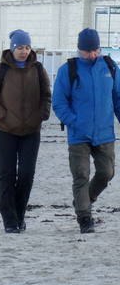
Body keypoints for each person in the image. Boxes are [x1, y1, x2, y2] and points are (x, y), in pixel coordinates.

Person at [0, 29, 51, 234]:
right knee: (7, 174)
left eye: (27, 47)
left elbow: (46, 95)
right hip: (4, 131)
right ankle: (9, 221)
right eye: (20, 47)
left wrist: (42, 114)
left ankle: (20, 215)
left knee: (26, 175)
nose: (23, 51)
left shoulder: (38, 70)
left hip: (31, 131)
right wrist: (1, 115)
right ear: (12, 49)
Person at [52, 28, 120, 234]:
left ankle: (86, 198)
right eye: (87, 51)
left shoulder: (110, 67)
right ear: (79, 50)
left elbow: (118, 99)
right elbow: (59, 102)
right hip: (78, 134)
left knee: (106, 173)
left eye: (95, 50)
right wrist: (74, 121)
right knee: (81, 175)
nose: (92, 55)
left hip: (104, 133)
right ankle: (84, 218)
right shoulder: (68, 70)